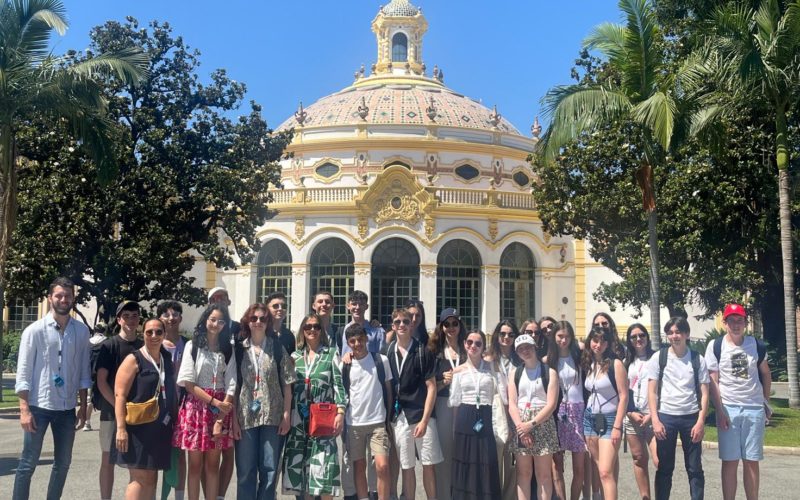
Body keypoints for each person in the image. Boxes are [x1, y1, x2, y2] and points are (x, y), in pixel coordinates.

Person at [13, 277, 91, 500]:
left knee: (63, 464)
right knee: (27, 464)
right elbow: (23, 373)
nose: (63, 299)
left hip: (66, 409)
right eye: (59, 295)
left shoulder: (81, 331)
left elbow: (84, 373)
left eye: (67, 296)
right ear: (50, 298)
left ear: (73, 298)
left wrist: (83, 407)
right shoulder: (34, 331)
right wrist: (24, 410)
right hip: (39, 407)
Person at [705, 303, 772, 500]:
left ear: (745, 323)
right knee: (730, 461)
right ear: (725, 322)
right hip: (729, 409)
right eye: (731, 320)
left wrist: (765, 403)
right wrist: (719, 410)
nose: (736, 324)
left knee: (751, 461)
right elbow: (713, 381)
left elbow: (766, 374)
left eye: (740, 320)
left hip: (754, 409)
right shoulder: (716, 346)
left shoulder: (756, 345)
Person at [173, 304, 237, 500]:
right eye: (212, 319)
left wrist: (221, 412)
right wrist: (215, 403)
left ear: (225, 325)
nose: (215, 324)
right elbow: (189, 383)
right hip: (196, 408)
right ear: (205, 320)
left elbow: (232, 383)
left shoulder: (228, 349)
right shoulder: (193, 346)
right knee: (194, 465)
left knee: (212, 465)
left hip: (220, 411)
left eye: (220, 321)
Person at [234, 303, 297, 500]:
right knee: (246, 471)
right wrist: (233, 420)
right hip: (245, 417)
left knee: (270, 471)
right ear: (248, 322)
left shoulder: (277, 347)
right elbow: (234, 386)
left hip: (273, 416)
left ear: (268, 322)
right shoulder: (239, 349)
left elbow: (287, 383)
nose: (258, 322)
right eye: (254, 318)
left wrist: (286, 415)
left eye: (262, 318)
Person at [283, 313, 347, 498]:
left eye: (316, 326)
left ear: (321, 330)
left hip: (323, 419)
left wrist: (340, 413)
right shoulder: (294, 357)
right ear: (302, 330)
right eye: (308, 327)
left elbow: (339, 386)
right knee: (303, 475)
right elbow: (287, 388)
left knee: (324, 471)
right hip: (298, 421)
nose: (312, 330)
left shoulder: (331, 354)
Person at [112, 318, 178, 499]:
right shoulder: (134, 359)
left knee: (151, 478)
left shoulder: (166, 359)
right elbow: (120, 395)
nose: (154, 336)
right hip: (137, 430)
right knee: (139, 478)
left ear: (164, 334)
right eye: (149, 332)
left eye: (158, 332)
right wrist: (120, 429)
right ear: (143, 334)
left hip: (160, 429)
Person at [647, 317, 709, 500]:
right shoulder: (659, 358)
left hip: (691, 418)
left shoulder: (698, 359)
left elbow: (705, 393)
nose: (674, 336)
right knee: (665, 468)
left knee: (695, 468)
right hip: (666, 418)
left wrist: (700, 422)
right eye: (670, 332)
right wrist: (655, 420)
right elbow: (652, 392)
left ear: (687, 334)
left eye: (678, 332)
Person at [387, 307, 443, 500]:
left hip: (422, 416)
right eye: (397, 322)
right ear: (392, 326)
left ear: (411, 324)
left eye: (405, 321)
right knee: (407, 466)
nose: (401, 325)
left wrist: (425, 421)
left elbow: (432, 388)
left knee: (428, 465)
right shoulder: (388, 352)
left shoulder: (422, 351)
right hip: (400, 418)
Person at [95, 300, 144, 500]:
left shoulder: (143, 345)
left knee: (136, 461)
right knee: (108, 459)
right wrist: (119, 408)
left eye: (134, 315)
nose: (131, 320)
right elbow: (101, 381)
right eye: (126, 316)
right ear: (118, 320)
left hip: (138, 413)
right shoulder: (109, 345)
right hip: (110, 411)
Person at [449, 329, 504, 499]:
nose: (473, 346)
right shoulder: (458, 370)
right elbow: (455, 402)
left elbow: (501, 392)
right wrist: (454, 428)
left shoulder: (492, 367)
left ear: (483, 346)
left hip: (485, 416)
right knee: (465, 462)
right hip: (465, 417)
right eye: (470, 342)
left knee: (485, 461)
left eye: (478, 343)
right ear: (465, 344)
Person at [342, 323, 394, 500]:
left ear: (366, 339)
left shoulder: (381, 360)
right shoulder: (345, 365)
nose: (357, 344)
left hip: (378, 423)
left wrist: (388, 419)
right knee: (359, 466)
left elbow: (389, 390)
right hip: (354, 423)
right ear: (348, 343)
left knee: (382, 466)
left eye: (360, 339)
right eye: (353, 341)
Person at [508, 333, 559, 500]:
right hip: (521, 424)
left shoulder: (550, 372)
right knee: (523, 473)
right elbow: (512, 404)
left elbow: (551, 404)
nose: (525, 351)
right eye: (521, 349)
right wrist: (521, 427)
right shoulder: (515, 373)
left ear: (535, 347)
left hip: (542, 422)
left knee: (543, 475)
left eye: (528, 347)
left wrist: (531, 424)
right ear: (517, 352)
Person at [582, 325, 628, 500]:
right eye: (595, 340)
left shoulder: (615, 364)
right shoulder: (590, 363)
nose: (598, 345)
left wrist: (617, 426)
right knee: (598, 466)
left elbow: (624, 397)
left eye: (602, 341)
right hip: (590, 419)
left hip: (610, 420)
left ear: (608, 344)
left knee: (605, 472)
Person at [428, 307, 466, 500]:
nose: (451, 327)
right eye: (447, 324)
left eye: (455, 323)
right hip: (443, 405)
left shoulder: (468, 349)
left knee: (463, 453)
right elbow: (429, 386)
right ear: (441, 327)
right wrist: (443, 381)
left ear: (460, 325)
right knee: (444, 454)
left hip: (465, 406)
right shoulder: (434, 352)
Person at [206, 288, 238, 499]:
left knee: (228, 452)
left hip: (233, 394)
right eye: (214, 299)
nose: (219, 301)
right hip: (208, 398)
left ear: (228, 300)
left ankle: (219, 496)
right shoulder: (203, 327)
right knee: (207, 453)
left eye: (222, 298)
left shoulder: (237, 327)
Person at [551, 321, 587, 500]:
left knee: (579, 466)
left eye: (566, 336)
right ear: (554, 337)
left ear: (571, 337)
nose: (563, 340)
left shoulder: (579, 356)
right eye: (559, 336)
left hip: (578, 410)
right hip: (558, 412)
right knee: (557, 465)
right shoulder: (549, 360)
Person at [157, 300, 188, 500]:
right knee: (157, 453)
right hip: (158, 407)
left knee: (180, 456)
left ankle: (178, 496)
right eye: (166, 314)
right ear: (159, 318)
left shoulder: (188, 344)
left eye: (175, 314)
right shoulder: (154, 343)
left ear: (180, 318)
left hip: (183, 406)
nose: (171, 318)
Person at [486, 320, 520, 500]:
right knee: (496, 458)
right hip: (496, 413)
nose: (506, 338)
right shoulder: (488, 359)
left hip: (516, 414)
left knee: (514, 461)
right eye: (503, 334)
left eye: (511, 334)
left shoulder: (520, 359)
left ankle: (509, 497)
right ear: (497, 336)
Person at [623, 323, 657, 500]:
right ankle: (645, 497)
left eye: (641, 335)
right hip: (632, 416)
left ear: (647, 337)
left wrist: (653, 414)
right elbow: (623, 392)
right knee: (638, 458)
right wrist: (630, 413)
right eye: (634, 337)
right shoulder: (626, 363)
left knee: (660, 460)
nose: (638, 339)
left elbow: (664, 389)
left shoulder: (657, 359)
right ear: (629, 340)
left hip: (654, 417)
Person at [337, 290, 386, 357]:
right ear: (348, 306)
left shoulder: (377, 331)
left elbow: (381, 357)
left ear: (366, 306)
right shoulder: (342, 331)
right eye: (354, 304)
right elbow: (339, 356)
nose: (357, 307)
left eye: (361, 304)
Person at [86, 322, 109, 431]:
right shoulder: (107, 342)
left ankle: (87, 422)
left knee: (88, 399)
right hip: (102, 374)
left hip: (88, 374)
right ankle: (103, 423)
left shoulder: (88, 342)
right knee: (105, 398)